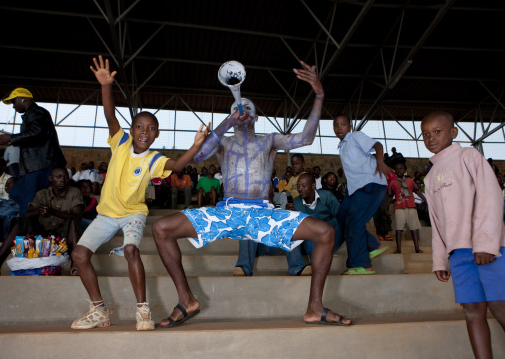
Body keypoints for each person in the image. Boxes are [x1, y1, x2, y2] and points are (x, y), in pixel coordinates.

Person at [153, 61, 353, 328]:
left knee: (325, 233)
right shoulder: (222, 141)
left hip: (263, 214)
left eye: (248, 109)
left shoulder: (268, 140)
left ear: (256, 117)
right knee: (161, 228)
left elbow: (305, 138)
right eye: (238, 108)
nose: (242, 111)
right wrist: (226, 122)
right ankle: (186, 299)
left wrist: (319, 95)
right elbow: (199, 155)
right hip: (227, 212)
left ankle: (315, 307)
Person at [70, 56, 208, 331]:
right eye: (139, 127)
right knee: (79, 255)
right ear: (132, 130)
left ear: (156, 135)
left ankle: (142, 311)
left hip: (133, 213)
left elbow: (178, 165)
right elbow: (110, 115)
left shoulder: (154, 159)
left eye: (151, 128)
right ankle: (98, 310)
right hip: (106, 214)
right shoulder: (120, 142)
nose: (145, 131)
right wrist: (106, 86)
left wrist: (194, 148)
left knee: (132, 249)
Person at [421, 111, 505, 359]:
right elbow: (436, 222)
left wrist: (486, 244)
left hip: (488, 250)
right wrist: (440, 259)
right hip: (458, 254)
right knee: (472, 310)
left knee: (500, 306)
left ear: (453, 133)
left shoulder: (469, 156)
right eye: (426, 134)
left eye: (437, 131)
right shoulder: (429, 176)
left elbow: (491, 198)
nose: (431, 138)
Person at [333, 114, 392, 275]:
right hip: (355, 188)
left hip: (370, 183)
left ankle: (361, 264)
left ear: (350, 127)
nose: (339, 128)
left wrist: (380, 161)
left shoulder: (355, 136)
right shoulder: (342, 146)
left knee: (354, 222)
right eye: (336, 125)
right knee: (342, 217)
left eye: (343, 124)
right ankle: (372, 245)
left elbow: (378, 145)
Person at [0, 167, 84, 276]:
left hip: (63, 234)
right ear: (50, 178)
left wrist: (53, 212)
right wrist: (39, 210)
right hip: (42, 233)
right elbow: (27, 214)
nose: (62, 180)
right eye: (58, 177)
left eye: (65, 177)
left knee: (73, 221)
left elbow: (78, 216)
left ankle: (75, 265)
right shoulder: (42, 194)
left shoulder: (74, 192)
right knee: (20, 222)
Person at [0, 88, 67, 217]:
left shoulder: (35, 112)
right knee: (16, 192)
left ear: (23, 99)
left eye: (14, 102)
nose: (13, 106)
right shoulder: (34, 113)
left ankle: (26, 231)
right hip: (34, 165)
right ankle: (37, 215)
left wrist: (11, 138)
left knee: (27, 199)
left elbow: (37, 131)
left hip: (40, 165)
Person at [385, 161, 426, 253]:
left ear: (405, 170)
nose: (399, 170)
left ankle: (417, 248)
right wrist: (386, 207)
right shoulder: (393, 183)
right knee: (399, 228)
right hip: (399, 208)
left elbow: (417, 191)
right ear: (394, 171)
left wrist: (426, 201)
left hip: (411, 206)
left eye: (401, 169)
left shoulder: (410, 181)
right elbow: (390, 196)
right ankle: (398, 249)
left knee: (413, 227)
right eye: (397, 169)